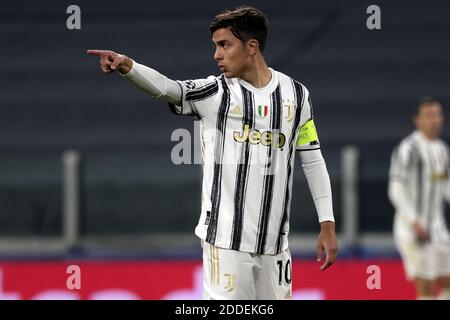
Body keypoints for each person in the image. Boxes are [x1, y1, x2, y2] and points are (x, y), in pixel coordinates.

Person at [87, 5, 337, 300]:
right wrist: (128, 66)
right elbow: (169, 89)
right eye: (216, 46)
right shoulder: (215, 93)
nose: (217, 54)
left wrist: (328, 224)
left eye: (225, 45)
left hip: (276, 248)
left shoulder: (297, 96)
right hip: (225, 244)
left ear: (252, 47)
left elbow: (312, 159)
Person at [388, 97, 450, 300]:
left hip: (438, 229)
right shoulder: (409, 148)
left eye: (437, 114)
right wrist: (414, 220)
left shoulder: (442, 149)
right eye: (429, 115)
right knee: (427, 288)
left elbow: (446, 187)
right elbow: (395, 188)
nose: (434, 120)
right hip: (414, 230)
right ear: (417, 120)